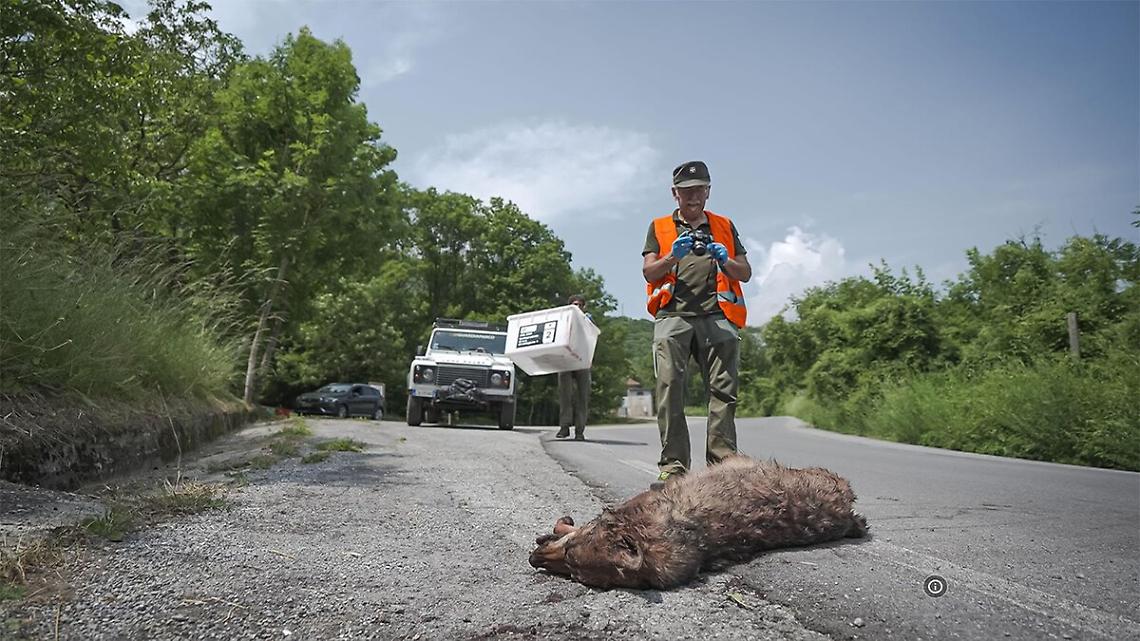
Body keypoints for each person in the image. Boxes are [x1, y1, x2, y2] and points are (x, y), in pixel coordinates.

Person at [641, 160, 752, 489]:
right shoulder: (659, 226)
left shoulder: (724, 225)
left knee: (724, 391)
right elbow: (650, 272)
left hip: (717, 316)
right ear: (675, 193)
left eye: (700, 190)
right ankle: (674, 466)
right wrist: (673, 256)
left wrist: (725, 259)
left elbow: (744, 272)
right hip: (673, 316)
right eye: (687, 191)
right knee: (669, 388)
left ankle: (722, 461)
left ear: (708, 191)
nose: (694, 197)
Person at [556, 294, 592, 441]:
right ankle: (564, 427)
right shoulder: (563, 319)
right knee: (565, 395)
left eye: (580, 305)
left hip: (582, 362)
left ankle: (579, 431)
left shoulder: (587, 319)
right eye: (574, 305)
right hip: (566, 360)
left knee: (582, 397)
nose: (577, 307)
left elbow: (592, 336)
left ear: (584, 307)